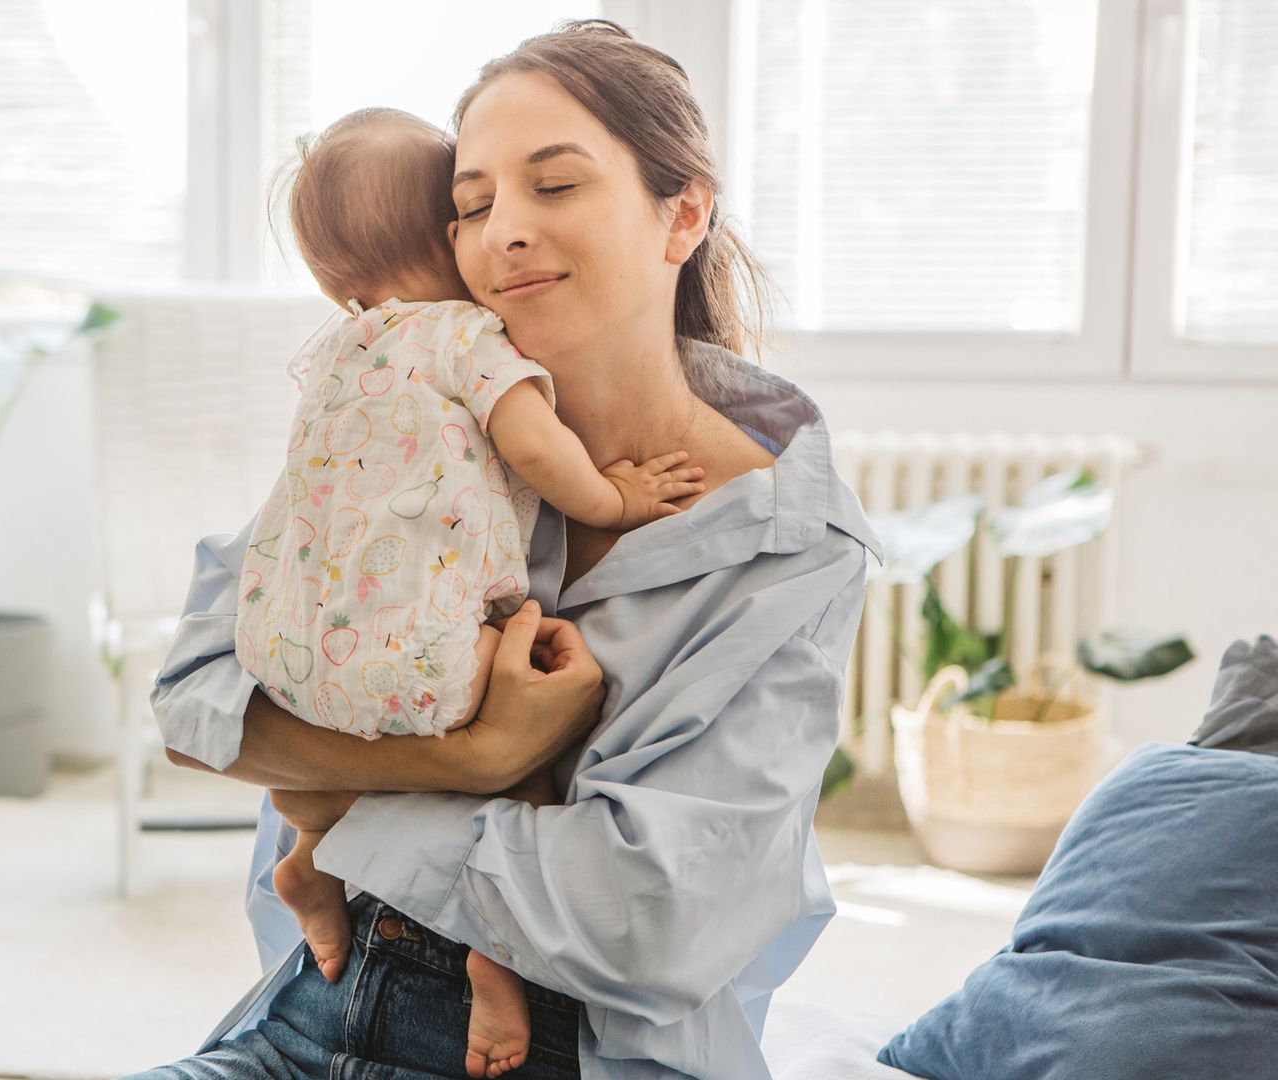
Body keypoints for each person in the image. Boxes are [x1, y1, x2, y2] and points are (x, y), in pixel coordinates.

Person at [128, 19, 884, 1080]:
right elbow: (196, 704)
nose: (504, 234)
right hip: (305, 1021)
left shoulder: (785, 549)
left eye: (555, 187)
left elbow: (648, 919)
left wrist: (346, 796)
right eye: (475, 205)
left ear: (684, 213)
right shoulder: (406, 425)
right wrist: (473, 759)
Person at [244, 105, 708, 1077]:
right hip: (426, 647)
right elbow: (539, 451)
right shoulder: (467, 339)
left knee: (321, 765)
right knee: (526, 768)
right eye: (471, 206)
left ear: (335, 279)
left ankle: (306, 856)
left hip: (292, 650)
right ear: (444, 239)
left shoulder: (335, 351)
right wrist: (616, 496)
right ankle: (495, 959)